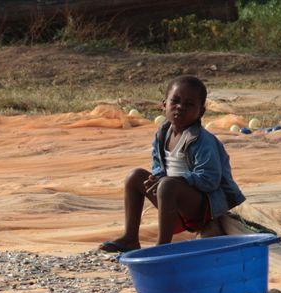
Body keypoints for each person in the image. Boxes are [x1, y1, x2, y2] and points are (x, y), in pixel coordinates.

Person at [99, 75, 246, 253]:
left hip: (202, 209)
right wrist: (157, 179)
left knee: (168, 184)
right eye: (175, 101)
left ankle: (163, 247)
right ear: (164, 105)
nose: (180, 107)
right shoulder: (162, 134)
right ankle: (130, 238)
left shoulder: (202, 140)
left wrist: (174, 181)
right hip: (172, 202)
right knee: (135, 176)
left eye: (189, 104)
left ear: (201, 111)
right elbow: (159, 168)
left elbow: (210, 180)